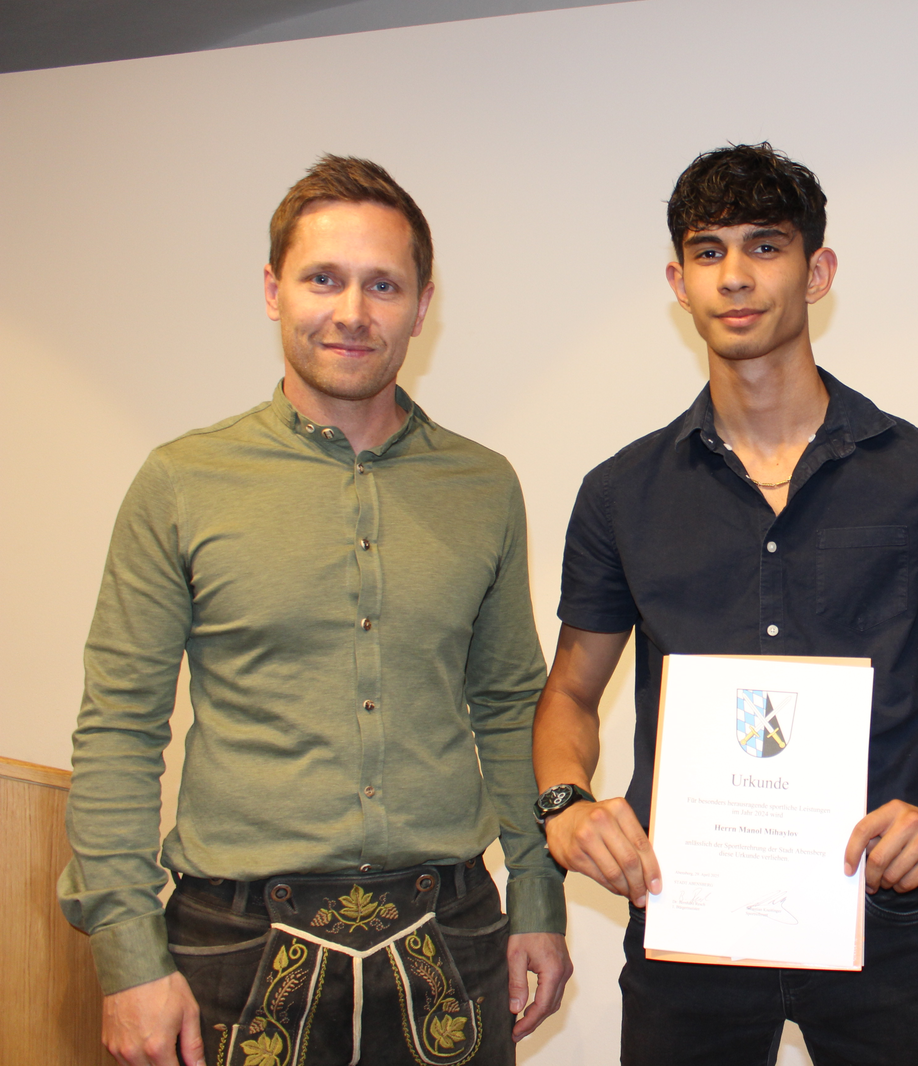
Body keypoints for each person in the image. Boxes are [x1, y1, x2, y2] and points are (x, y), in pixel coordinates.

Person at [531, 143, 918, 1066]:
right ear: (679, 283)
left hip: (881, 912)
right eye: (708, 251)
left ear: (818, 271)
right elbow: (569, 691)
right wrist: (566, 805)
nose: (735, 276)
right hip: (685, 915)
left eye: (765, 246)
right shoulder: (620, 493)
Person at [60, 155, 572, 1066]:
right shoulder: (180, 482)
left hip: (450, 934)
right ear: (273, 290)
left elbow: (508, 705)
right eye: (323, 279)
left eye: (384, 285)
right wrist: (128, 955)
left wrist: (538, 898)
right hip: (232, 944)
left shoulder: (485, 486)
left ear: (422, 306)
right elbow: (119, 728)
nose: (352, 311)